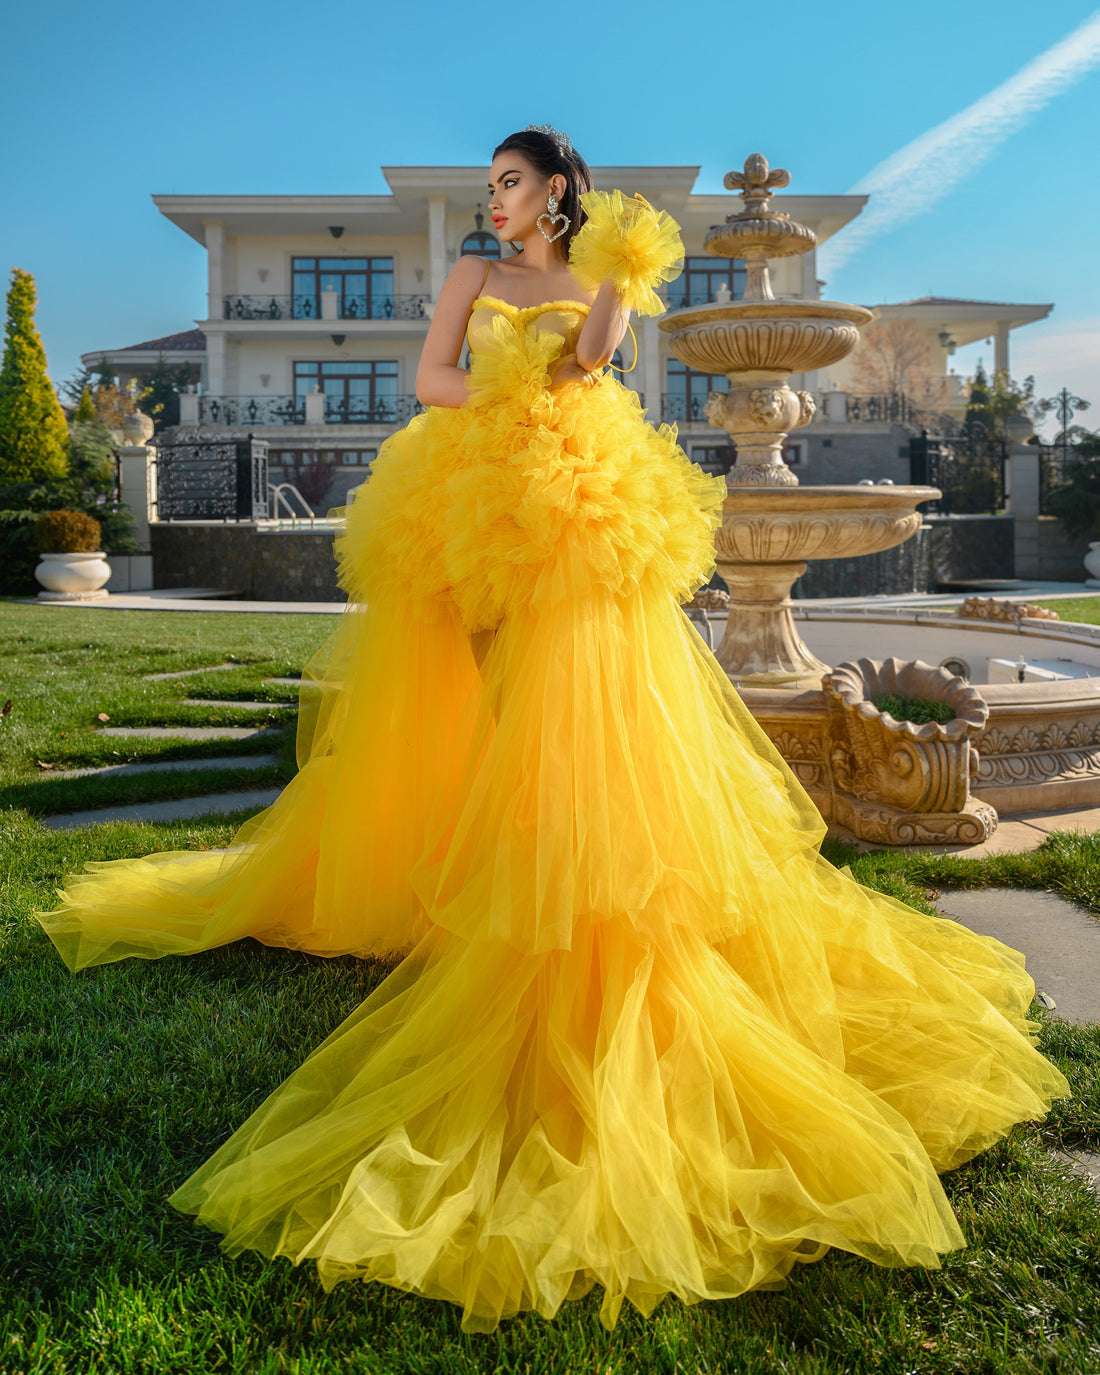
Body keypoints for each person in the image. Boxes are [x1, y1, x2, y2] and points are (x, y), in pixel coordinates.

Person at [36, 125, 1068, 1333]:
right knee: (453, 689)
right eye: (489, 187)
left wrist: (620, 281)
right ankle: (444, 868)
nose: (497, 200)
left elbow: (588, 369)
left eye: (512, 184)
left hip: (573, 488)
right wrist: (500, 389)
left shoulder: (592, 282)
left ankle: (561, 874)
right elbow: (427, 380)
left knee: (568, 690)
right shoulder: (471, 274)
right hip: (464, 483)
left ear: (558, 193)